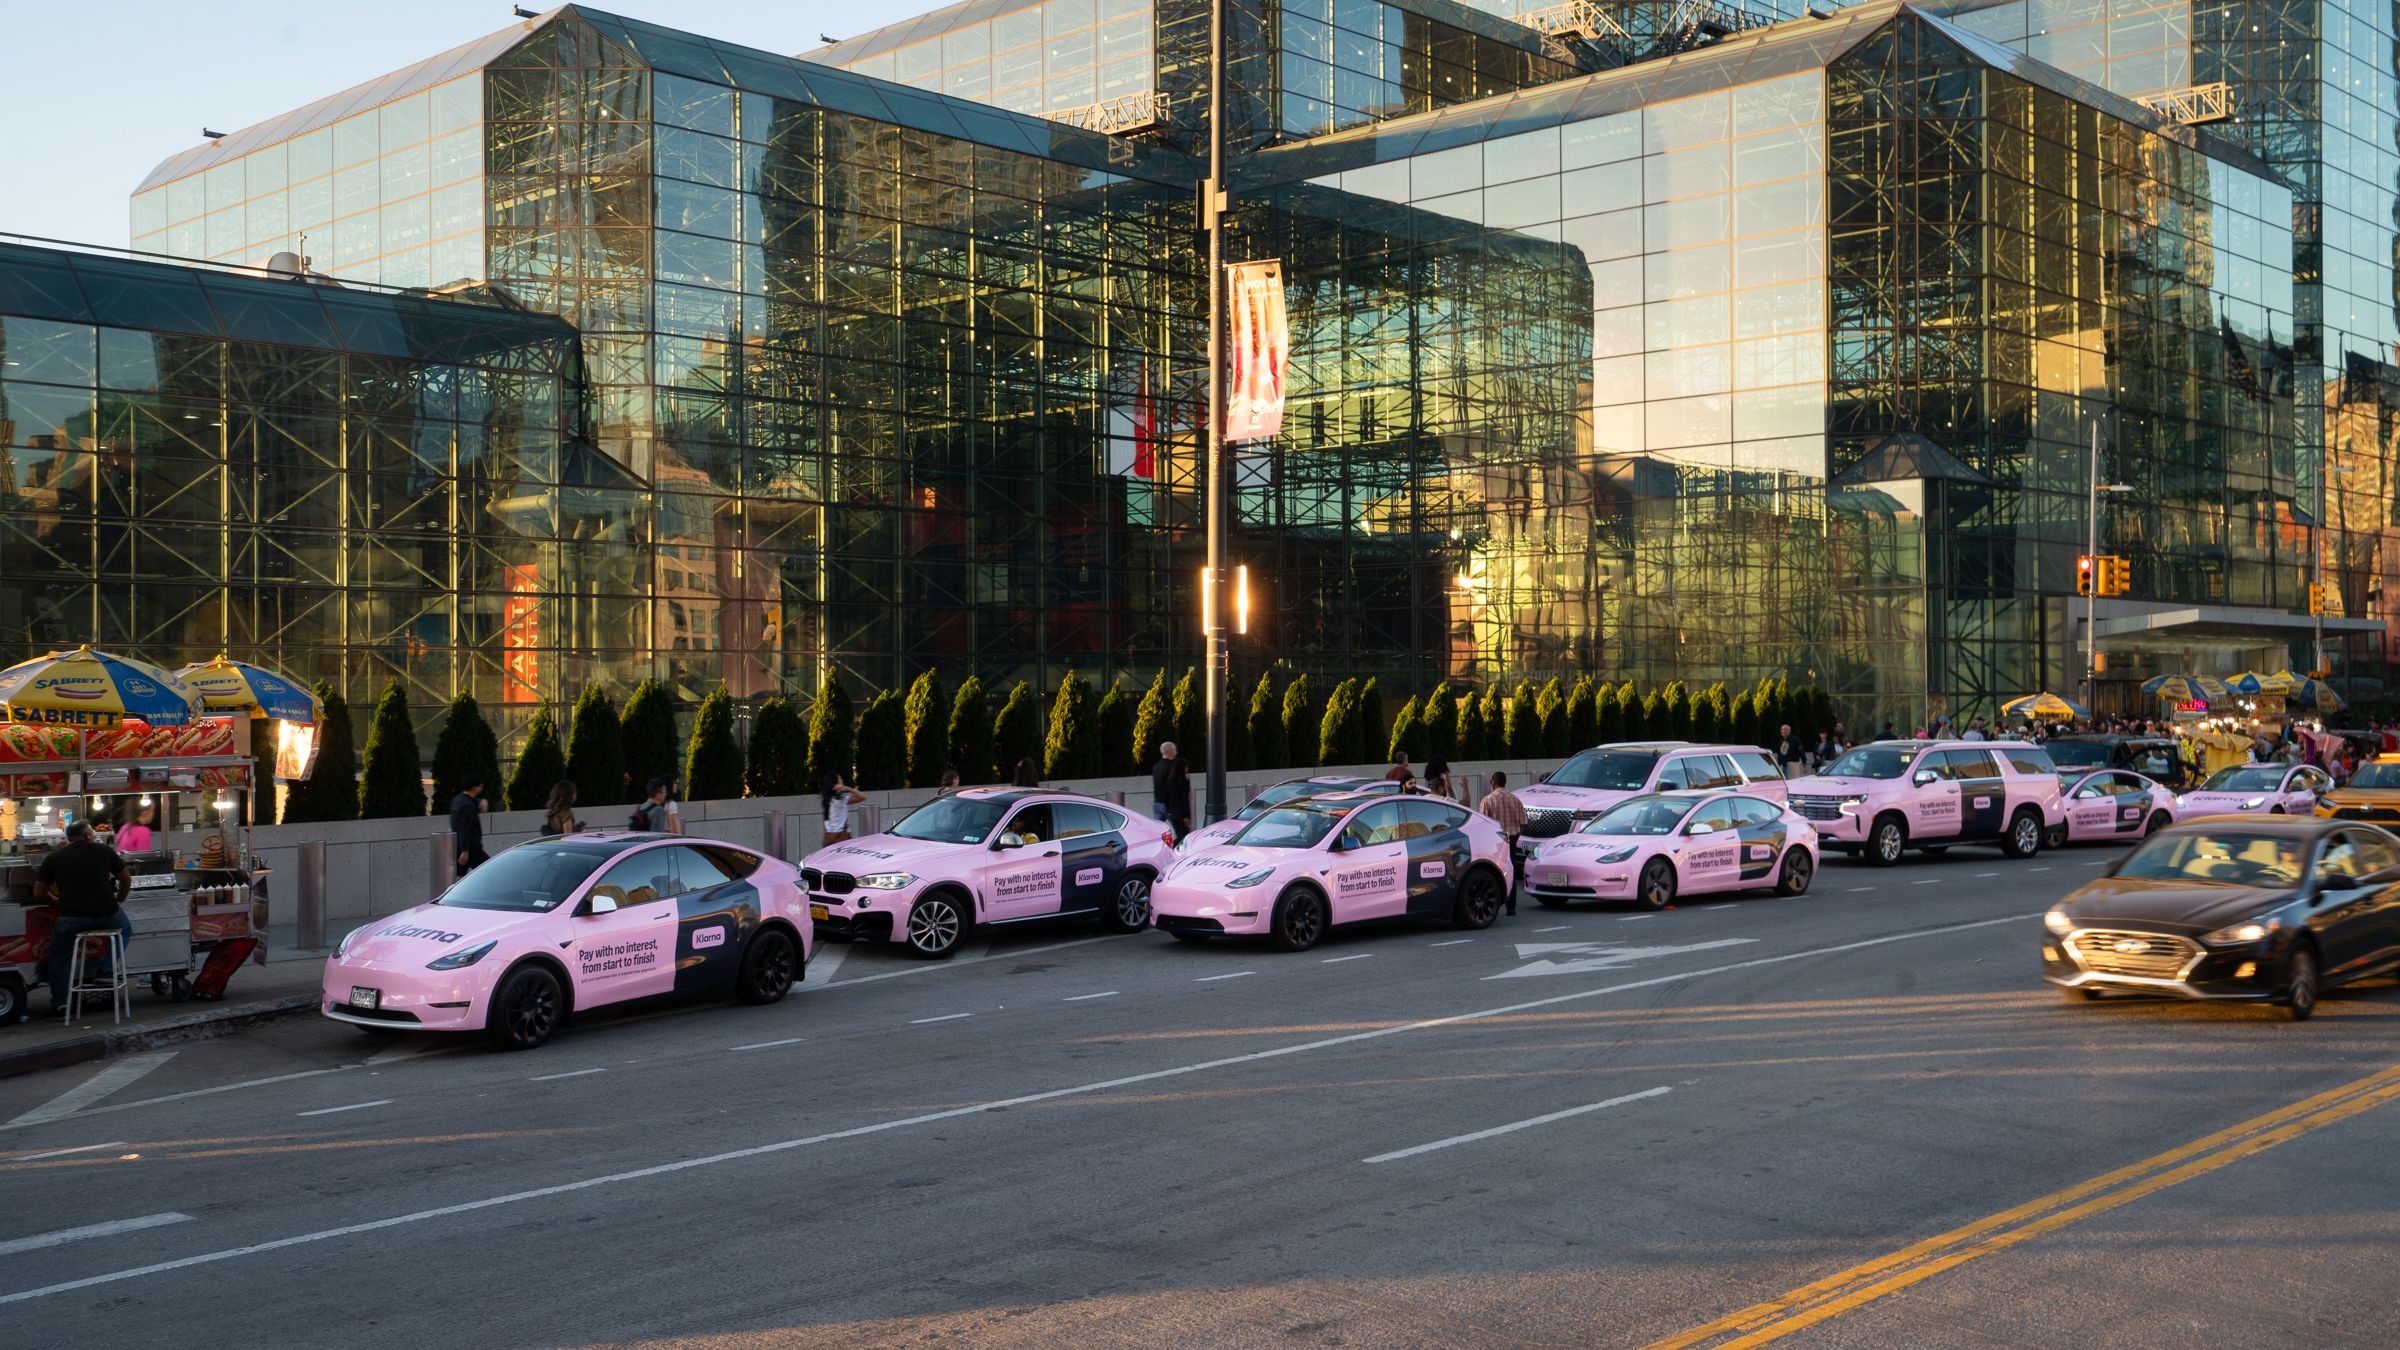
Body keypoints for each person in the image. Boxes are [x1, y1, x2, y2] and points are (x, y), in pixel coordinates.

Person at [38, 821, 132, 1014]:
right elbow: (125, 878)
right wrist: (120, 897)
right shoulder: (103, 851)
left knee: (59, 958)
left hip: (71, 916)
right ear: (88, 835)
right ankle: (105, 970)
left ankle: (61, 1003)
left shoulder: (54, 857)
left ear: (68, 838)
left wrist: (57, 902)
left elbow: (39, 893)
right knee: (126, 929)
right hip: (107, 913)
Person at [1478, 771, 1527, 916]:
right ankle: (1511, 908)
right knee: (1510, 870)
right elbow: (1523, 823)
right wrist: (1516, 836)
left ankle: (1493, 904)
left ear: (1492, 783)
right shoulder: (1515, 799)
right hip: (1511, 839)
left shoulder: (1487, 801)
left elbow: (1482, 824)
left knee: (1494, 872)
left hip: (1495, 842)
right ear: (1505, 783)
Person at [449, 773, 489, 872]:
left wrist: (481, 801)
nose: (481, 787)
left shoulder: (457, 800)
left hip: (458, 845)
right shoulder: (468, 806)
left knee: (460, 876)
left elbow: (471, 801)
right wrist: (465, 850)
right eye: (480, 785)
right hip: (471, 848)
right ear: (474, 787)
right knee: (488, 869)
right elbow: (465, 828)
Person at [821, 772, 867, 845]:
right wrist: (848, 788)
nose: (842, 780)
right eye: (840, 779)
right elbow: (863, 797)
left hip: (829, 837)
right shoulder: (839, 800)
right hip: (840, 837)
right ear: (835, 784)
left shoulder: (828, 799)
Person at [1162, 752, 1192, 844]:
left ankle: (1170, 848)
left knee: (1179, 835)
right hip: (1182, 814)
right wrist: (1187, 816)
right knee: (1184, 838)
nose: (1187, 769)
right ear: (1182, 768)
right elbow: (1185, 800)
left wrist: (1169, 811)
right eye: (1186, 767)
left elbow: (1165, 798)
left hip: (1173, 813)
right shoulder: (1184, 781)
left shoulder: (1169, 781)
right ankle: (1170, 848)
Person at [1150, 742, 1178, 822]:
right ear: (1169, 751)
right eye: (1174, 750)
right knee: (1180, 831)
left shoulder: (1156, 766)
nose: (1176, 752)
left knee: (1158, 831)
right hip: (1169, 805)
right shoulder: (1173, 767)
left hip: (1157, 804)